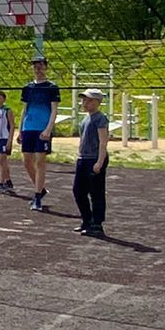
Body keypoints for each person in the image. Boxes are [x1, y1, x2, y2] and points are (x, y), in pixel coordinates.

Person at [14, 54, 61, 211]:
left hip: (42, 128)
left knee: (40, 161)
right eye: (35, 66)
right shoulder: (28, 87)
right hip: (29, 128)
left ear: (46, 67)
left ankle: (36, 197)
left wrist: (48, 129)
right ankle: (40, 189)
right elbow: (24, 109)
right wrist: (20, 130)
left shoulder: (52, 87)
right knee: (26, 161)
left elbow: (54, 110)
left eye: (40, 65)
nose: (38, 68)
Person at [72, 88, 110, 236]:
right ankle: (86, 220)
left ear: (97, 102)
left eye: (88, 100)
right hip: (83, 158)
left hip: (94, 158)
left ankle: (97, 224)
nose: (84, 103)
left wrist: (100, 162)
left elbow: (103, 142)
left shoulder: (100, 119)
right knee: (78, 191)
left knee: (96, 192)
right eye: (83, 100)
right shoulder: (86, 119)